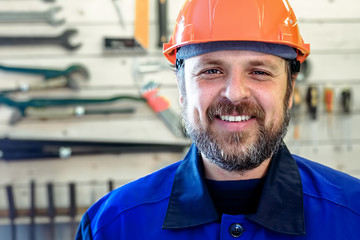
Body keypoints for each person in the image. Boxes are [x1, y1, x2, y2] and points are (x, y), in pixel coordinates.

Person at [76, 0, 360, 239]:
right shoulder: (113, 226)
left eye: (259, 72)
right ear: (182, 88)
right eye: (211, 71)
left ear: (290, 88)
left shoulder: (353, 215)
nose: (235, 94)